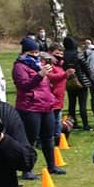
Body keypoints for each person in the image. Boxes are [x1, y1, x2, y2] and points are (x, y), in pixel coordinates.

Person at [13, 36, 62, 179]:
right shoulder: (19, 66)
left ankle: (52, 166)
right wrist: (40, 75)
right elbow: (24, 85)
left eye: (36, 52)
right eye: (32, 52)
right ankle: (27, 170)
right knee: (29, 139)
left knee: (48, 137)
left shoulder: (39, 63)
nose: (35, 55)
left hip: (46, 106)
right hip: (30, 107)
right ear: (24, 53)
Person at [62, 36, 94, 131]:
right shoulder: (78, 54)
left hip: (69, 81)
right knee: (82, 105)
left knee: (71, 104)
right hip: (81, 82)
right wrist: (90, 79)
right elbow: (86, 67)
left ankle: (73, 124)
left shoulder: (63, 55)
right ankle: (85, 125)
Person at [45, 45, 73, 141]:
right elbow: (50, 76)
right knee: (52, 120)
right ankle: (51, 139)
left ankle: (57, 139)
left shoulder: (59, 64)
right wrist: (65, 74)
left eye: (61, 53)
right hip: (51, 96)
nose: (59, 55)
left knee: (57, 119)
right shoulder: (47, 63)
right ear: (50, 52)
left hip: (59, 97)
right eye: (57, 53)